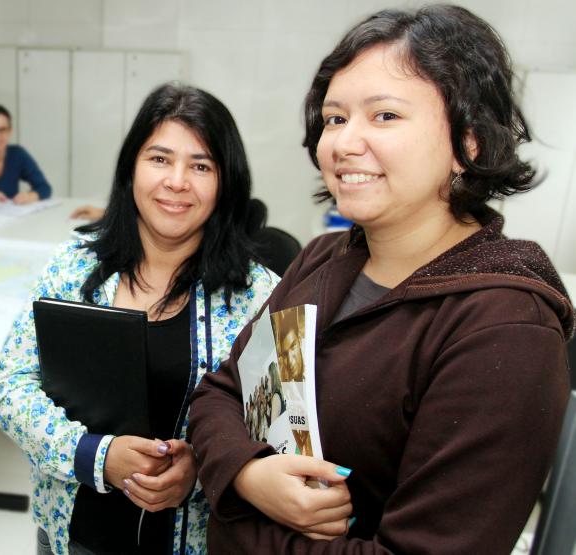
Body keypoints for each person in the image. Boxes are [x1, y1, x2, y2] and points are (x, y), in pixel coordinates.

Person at [188, 6, 573, 554]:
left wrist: (232, 520)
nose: (343, 143)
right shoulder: (323, 259)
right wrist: (249, 475)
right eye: (335, 118)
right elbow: (224, 393)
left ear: (469, 144)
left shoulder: (505, 328)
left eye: (385, 115)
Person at [0, 83, 279, 554]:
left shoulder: (257, 295)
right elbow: (10, 387)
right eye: (160, 159)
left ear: (226, 183)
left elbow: (275, 434)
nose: (177, 182)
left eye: (201, 166)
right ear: (131, 168)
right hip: (73, 535)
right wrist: (96, 456)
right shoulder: (74, 266)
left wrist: (203, 469)